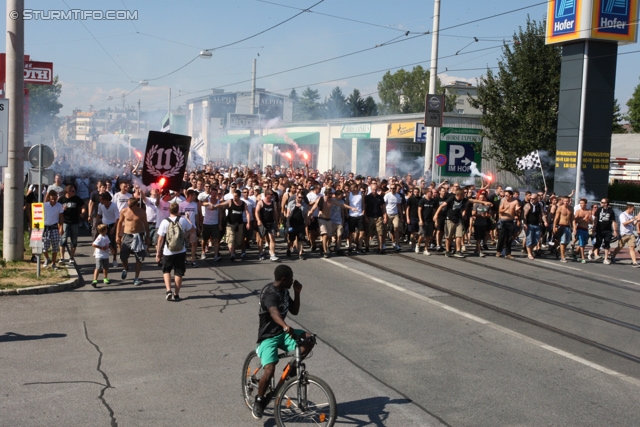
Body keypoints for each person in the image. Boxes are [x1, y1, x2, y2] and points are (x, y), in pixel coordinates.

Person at [252, 265, 315, 420]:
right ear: (284, 279)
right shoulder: (270, 293)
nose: (293, 279)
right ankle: (259, 401)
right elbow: (273, 312)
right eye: (291, 277)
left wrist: (297, 292)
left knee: (309, 339)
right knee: (270, 370)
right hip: (268, 336)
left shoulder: (285, 291)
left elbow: (294, 311)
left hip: (282, 332)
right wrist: (285, 325)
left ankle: (291, 370)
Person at [156, 202, 194, 300]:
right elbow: (192, 229)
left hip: (168, 251)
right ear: (178, 210)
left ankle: (168, 290)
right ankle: (176, 293)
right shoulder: (182, 220)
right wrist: (188, 219)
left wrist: (158, 253)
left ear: (169, 210)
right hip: (181, 250)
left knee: (166, 270)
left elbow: (160, 239)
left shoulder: (164, 221)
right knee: (179, 272)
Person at [116, 197, 151, 285]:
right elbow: (119, 223)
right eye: (129, 205)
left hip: (138, 235)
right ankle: (125, 268)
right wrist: (118, 236)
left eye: (131, 206)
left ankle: (136, 277)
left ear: (136, 205)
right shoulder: (124, 211)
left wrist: (148, 237)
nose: (129, 207)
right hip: (127, 235)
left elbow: (146, 225)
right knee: (123, 256)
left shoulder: (142, 212)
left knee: (139, 258)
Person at [58, 184, 86, 265]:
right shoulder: (62, 199)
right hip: (65, 222)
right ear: (67, 191)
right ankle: (62, 257)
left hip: (75, 222)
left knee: (74, 240)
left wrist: (83, 213)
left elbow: (83, 206)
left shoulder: (77, 198)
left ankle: (71, 257)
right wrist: (63, 209)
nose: (74, 192)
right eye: (73, 191)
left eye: (74, 191)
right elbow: (57, 210)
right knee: (63, 240)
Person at [42, 189, 64, 269]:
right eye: (52, 199)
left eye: (55, 199)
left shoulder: (59, 206)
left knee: (55, 246)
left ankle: (54, 263)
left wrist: (61, 227)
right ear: (49, 198)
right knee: (44, 246)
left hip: (54, 227)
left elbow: (61, 218)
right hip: (46, 227)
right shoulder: (45, 205)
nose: (53, 201)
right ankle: (47, 258)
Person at [91, 224, 111, 288]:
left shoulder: (106, 236)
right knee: (98, 267)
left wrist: (112, 249)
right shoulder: (99, 237)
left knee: (106, 267)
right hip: (99, 255)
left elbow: (108, 243)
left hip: (106, 255)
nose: (107, 230)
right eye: (106, 229)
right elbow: (93, 244)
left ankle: (105, 278)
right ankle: (95, 280)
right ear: (104, 231)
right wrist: (101, 248)